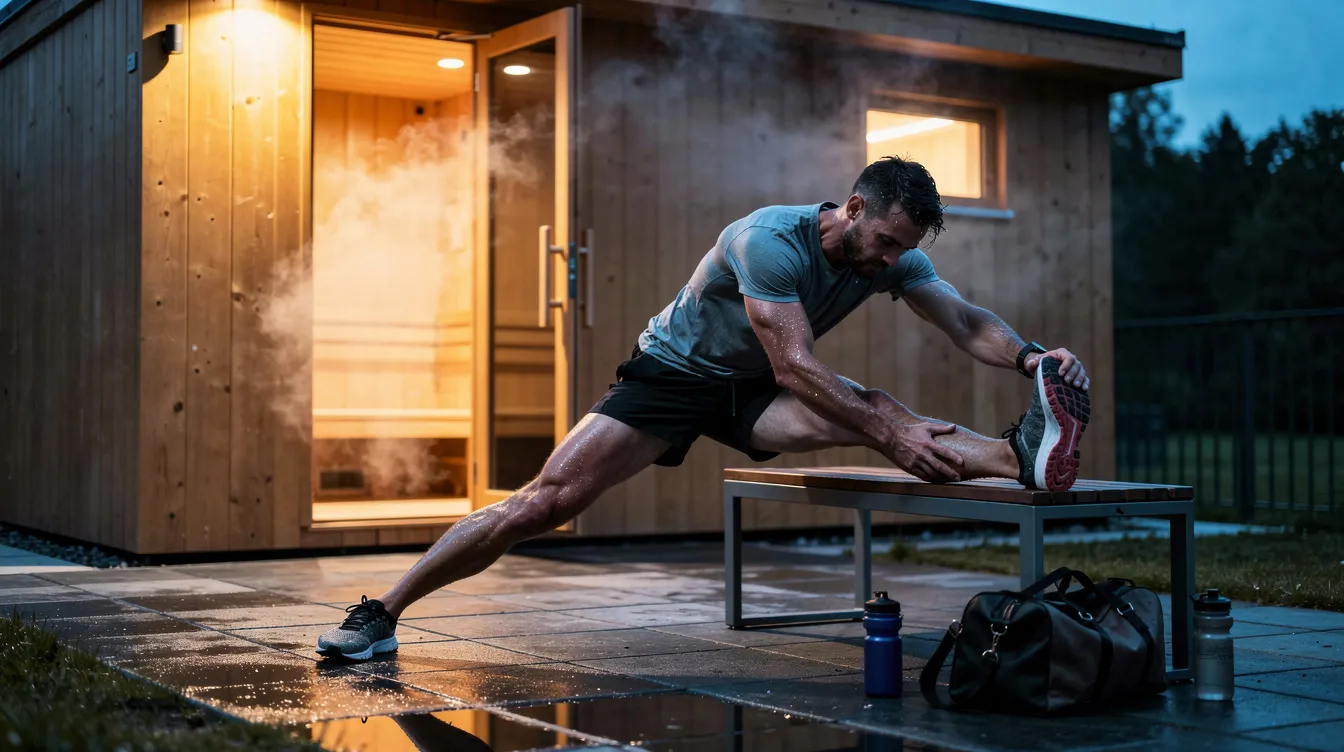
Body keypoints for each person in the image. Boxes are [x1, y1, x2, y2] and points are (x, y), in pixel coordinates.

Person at [314, 156, 1092, 661]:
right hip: (673, 375)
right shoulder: (768, 241)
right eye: (885, 242)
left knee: (875, 405)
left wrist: (1034, 358)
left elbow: (962, 320)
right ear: (853, 208)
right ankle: (382, 614)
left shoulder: (893, 254)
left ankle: (1020, 453)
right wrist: (882, 424)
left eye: (901, 251)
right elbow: (795, 361)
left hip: (751, 392)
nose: (891, 263)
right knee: (543, 505)